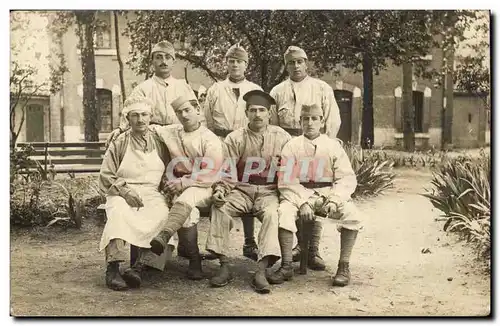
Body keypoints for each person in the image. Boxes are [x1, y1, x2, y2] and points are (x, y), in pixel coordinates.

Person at [105, 40, 200, 261]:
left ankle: (186, 245)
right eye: (159, 57)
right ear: (153, 61)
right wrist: (119, 130)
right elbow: (129, 115)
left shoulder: (183, 87)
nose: (163, 61)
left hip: (177, 141)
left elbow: (195, 116)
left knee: (180, 190)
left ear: (174, 61)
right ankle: (145, 255)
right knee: (154, 188)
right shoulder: (144, 88)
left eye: (167, 57)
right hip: (151, 136)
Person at [205, 90, 291, 294]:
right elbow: (227, 170)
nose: (258, 115)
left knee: (272, 214)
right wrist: (220, 190)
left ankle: (261, 270)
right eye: (253, 110)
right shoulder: (235, 138)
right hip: (241, 188)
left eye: (262, 110)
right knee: (221, 208)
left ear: (269, 114)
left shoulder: (282, 137)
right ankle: (224, 265)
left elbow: (290, 169)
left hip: (270, 190)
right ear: (246, 113)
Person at [269, 103, 363, 287]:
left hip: (328, 193)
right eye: (305, 119)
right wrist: (303, 202)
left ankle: (343, 266)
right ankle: (287, 265)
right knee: (284, 212)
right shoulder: (292, 146)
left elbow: (346, 178)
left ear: (322, 121)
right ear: (300, 121)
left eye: (314, 119)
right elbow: (287, 180)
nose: (310, 123)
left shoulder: (333, 146)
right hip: (298, 193)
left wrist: (335, 200)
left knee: (352, 214)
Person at [269, 45, 343, 269]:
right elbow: (272, 125)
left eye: (300, 61)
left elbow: (332, 119)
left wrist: (323, 146)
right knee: (293, 195)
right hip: (287, 147)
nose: (296, 66)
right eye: (291, 62)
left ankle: (313, 249)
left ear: (306, 63)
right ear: (286, 65)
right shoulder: (277, 91)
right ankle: (298, 247)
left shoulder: (321, 88)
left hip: (316, 147)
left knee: (317, 190)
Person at [98, 96, 170, 291]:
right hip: (122, 191)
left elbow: (168, 170)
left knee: (165, 216)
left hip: (152, 193)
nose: (140, 120)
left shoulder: (159, 141)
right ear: (127, 118)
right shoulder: (120, 142)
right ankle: (112, 269)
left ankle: (140, 266)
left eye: (144, 115)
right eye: (135, 115)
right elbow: (106, 175)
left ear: (150, 117)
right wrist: (124, 191)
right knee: (119, 213)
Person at [148, 96, 225, 272]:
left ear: (197, 110)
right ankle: (194, 258)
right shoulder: (172, 131)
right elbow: (150, 127)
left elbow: (211, 174)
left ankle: (165, 234)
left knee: (188, 197)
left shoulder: (209, 139)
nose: (183, 115)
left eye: (187, 110)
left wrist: (183, 183)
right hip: (178, 186)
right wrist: (121, 128)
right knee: (188, 211)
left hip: (203, 186)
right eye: (179, 112)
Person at [203, 42, 263, 261]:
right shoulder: (216, 89)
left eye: (239, 61)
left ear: (246, 65)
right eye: (231, 61)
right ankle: (217, 243)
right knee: (221, 188)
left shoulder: (254, 89)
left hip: (248, 143)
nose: (235, 65)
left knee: (248, 187)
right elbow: (207, 120)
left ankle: (249, 241)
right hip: (221, 143)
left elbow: (263, 119)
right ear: (226, 64)